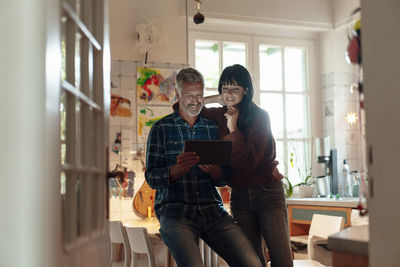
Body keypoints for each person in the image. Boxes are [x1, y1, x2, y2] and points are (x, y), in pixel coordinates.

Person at [145, 67, 261, 267]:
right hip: (176, 214)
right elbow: (152, 178)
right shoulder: (161, 129)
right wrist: (176, 170)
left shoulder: (213, 127)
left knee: (253, 263)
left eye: (199, 95)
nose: (196, 101)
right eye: (190, 95)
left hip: (212, 211)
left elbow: (224, 177)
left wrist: (216, 172)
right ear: (178, 94)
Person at [202, 64, 293, 267]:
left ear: (246, 90)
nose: (229, 93)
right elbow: (181, 106)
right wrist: (215, 99)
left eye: (235, 88)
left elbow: (249, 161)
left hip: (268, 192)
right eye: (225, 88)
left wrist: (233, 129)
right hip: (241, 196)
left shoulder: (260, 117)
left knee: (282, 260)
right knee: (251, 261)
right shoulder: (219, 114)